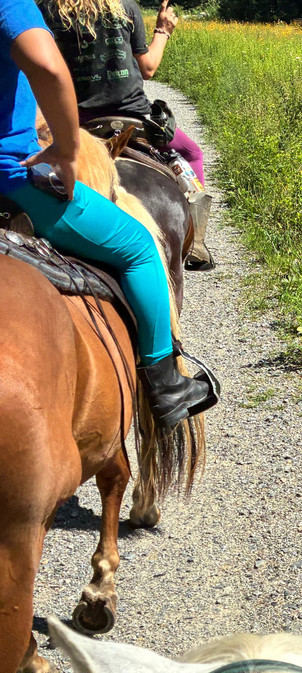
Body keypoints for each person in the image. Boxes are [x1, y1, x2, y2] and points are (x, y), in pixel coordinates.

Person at [0, 0, 216, 429]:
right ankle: (165, 382)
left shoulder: (51, 8)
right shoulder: (20, 4)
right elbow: (52, 67)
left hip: (82, 114)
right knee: (139, 243)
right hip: (15, 175)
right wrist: (65, 146)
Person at [40, 0, 215, 270]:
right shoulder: (125, 7)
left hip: (78, 123)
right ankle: (197, 245)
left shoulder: (48, 10)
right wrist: (163, 30)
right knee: (192, 153)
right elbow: (148, 68)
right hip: (133, 118)